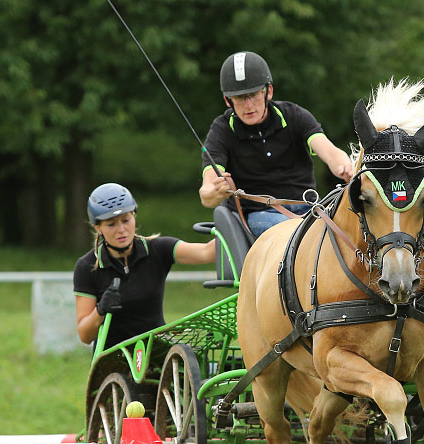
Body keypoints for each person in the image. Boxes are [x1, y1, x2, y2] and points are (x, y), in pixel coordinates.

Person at [198, 51, 354, 238]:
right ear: (227, 100)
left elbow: (329, 151)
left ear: (268, 92)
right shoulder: (221, 130)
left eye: (254, 95)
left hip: (308, 207)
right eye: (240, 97)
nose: (248, 105)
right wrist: (212, 191)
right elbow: (207, 187)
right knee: (293, 232)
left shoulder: (295, 115)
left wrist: (344, 167)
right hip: (259, 215)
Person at [74, 182, 216, 350]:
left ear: (134, 216)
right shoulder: (86, 266)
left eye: (126, 220)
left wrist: (233, 221)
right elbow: (85, 335)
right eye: (111, 224)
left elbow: (206, 252)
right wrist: (100, 311)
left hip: (157, 350)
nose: (121, 229)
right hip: (114, 359)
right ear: (98, 227)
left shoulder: (158, 249)